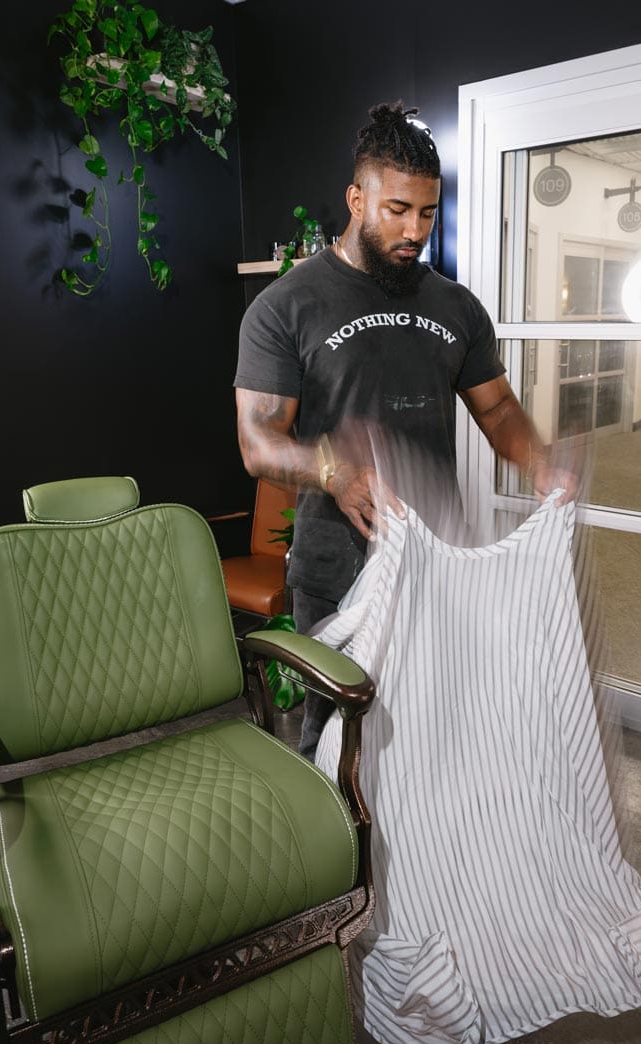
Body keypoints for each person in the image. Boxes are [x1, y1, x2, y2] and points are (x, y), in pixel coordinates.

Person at [234, 101, 574, 759]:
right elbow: (259, 440)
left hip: (436, 558)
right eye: (397, 210)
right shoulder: (286, 307)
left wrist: (541, 461)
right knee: (335, 734)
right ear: (357, 198)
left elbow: (499, 411)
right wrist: (335, 470)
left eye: (427, 212)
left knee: (427, 730)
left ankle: (413, 861)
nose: (414, 229)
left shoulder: (456, 306)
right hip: (337, 565)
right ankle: (337, 861)